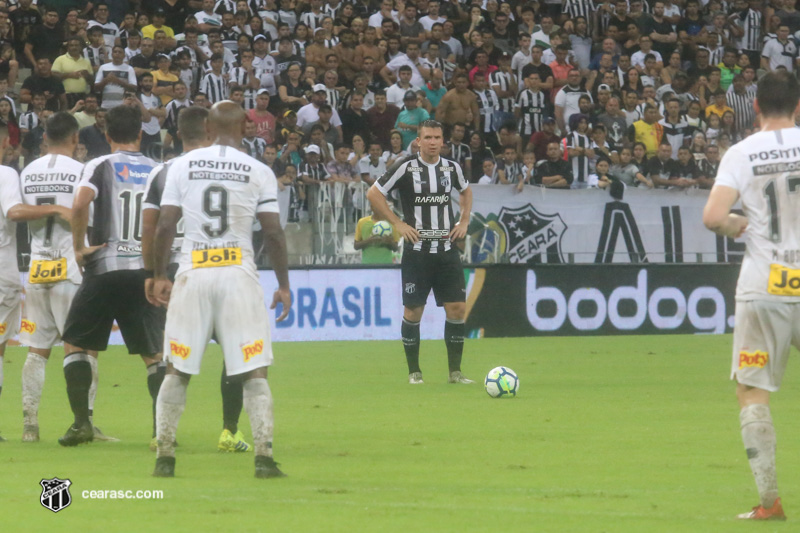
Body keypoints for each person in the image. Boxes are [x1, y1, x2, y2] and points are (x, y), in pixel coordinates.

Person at [150, 101, 291, 478]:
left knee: (176, 368)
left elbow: (165, 225)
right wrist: (284, 285)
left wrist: (159, 274)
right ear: (246, 127)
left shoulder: (181, 166)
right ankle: (263, 458)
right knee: (254, 369)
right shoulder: (259, 171)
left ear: (208, 127)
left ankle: (165, 457)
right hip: (237, 274)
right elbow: (273, 232)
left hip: (193, 271)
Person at [700, 69, 800, 521]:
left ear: (756, 106)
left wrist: (734, 224)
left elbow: (713, 216)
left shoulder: (741, 154)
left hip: (765, 287)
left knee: (752, 389)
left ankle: (770, 502)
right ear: (798, 107)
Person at [140, 106, 252, 454]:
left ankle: (162, 433)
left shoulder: (162, 171)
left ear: (176, 135)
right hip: (221, 266)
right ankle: (229, 432)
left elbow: (150, 225)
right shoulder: (236, 167)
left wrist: (152, 273)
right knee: (235, 350)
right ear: (209, 130)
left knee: (169, 355)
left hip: (175, 269)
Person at [58, 105, 163, 447]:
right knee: (154, 353)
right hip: (143, 272)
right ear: (139, 134)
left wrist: (78, 246)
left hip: (104, 267)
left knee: (75, 342)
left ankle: (81, 424)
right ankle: (162, 429)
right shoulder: (157, 170)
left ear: (106, 135)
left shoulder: (100, 165)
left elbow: (79, 205)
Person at [18, 112, 114, 443]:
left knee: (36, 350)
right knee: (83, 348)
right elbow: (90, 215)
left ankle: (30, 425)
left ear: (45, 138)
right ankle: (84, 422)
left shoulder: (27, 172)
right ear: (75, 139)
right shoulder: (81, 171)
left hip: (37, 267)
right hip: (71, 268)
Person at [367, 119, 473, 385]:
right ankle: (414, 372)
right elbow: (374, 194)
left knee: (457, 308)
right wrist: (398, 223)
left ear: (442, 141)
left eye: (437, 137)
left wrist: (464, 221)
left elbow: (466, 190)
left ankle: (455, 372)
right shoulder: (405, 166)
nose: (433, 142)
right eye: (428, 137)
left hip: (447, 249)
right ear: (418, 141)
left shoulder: (451, 168)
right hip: (417, 250)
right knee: (414, 310)